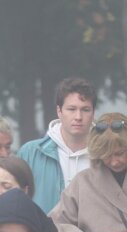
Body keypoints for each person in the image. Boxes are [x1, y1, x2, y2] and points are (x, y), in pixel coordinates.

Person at [17, 77, 98, 213]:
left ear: (93, 112)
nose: (78, 116)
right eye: (71, 109)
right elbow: (14, 202)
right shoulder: (30, 153)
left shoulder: (106, 155)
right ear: (59, 111)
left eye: (85, 110)